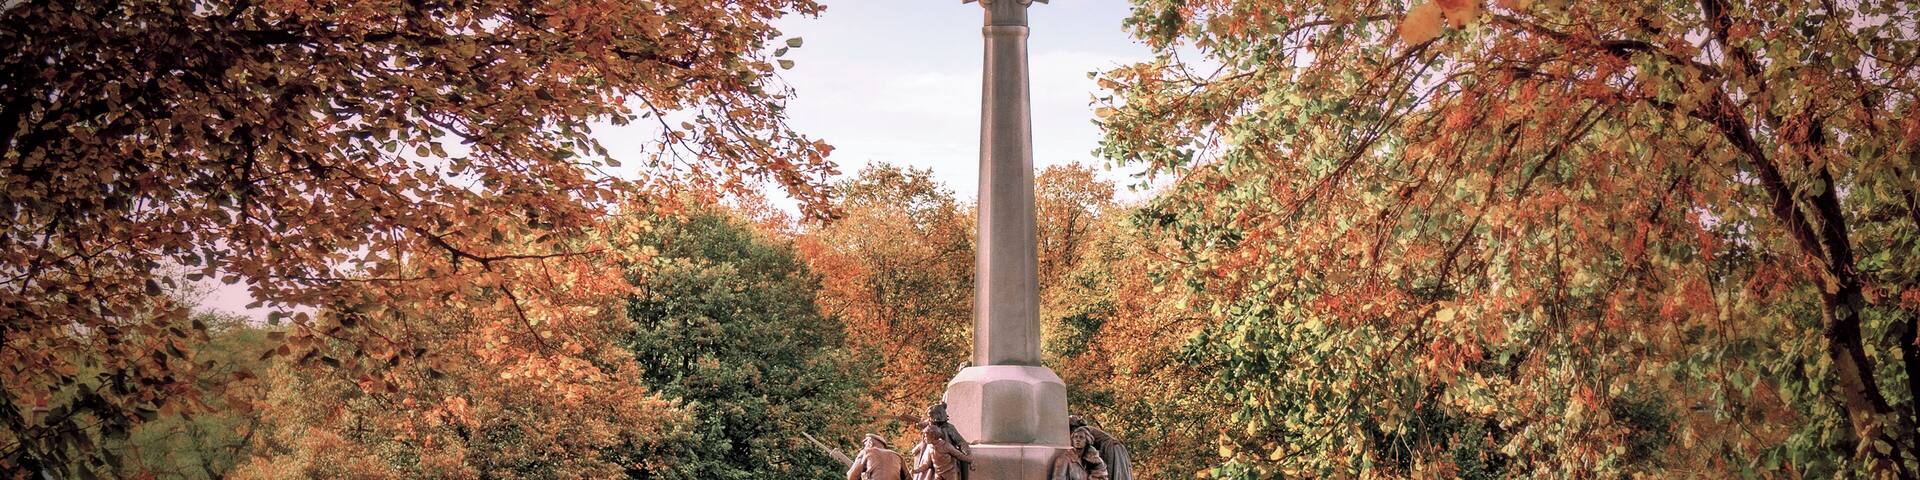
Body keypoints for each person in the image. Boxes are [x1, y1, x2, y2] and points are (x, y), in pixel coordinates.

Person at [1068, 415, 1134, 480]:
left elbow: (1083, 447)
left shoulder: (1082, 430)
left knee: (1110, 473)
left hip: (1111, 448)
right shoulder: (1087, 429)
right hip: (1117, 448)